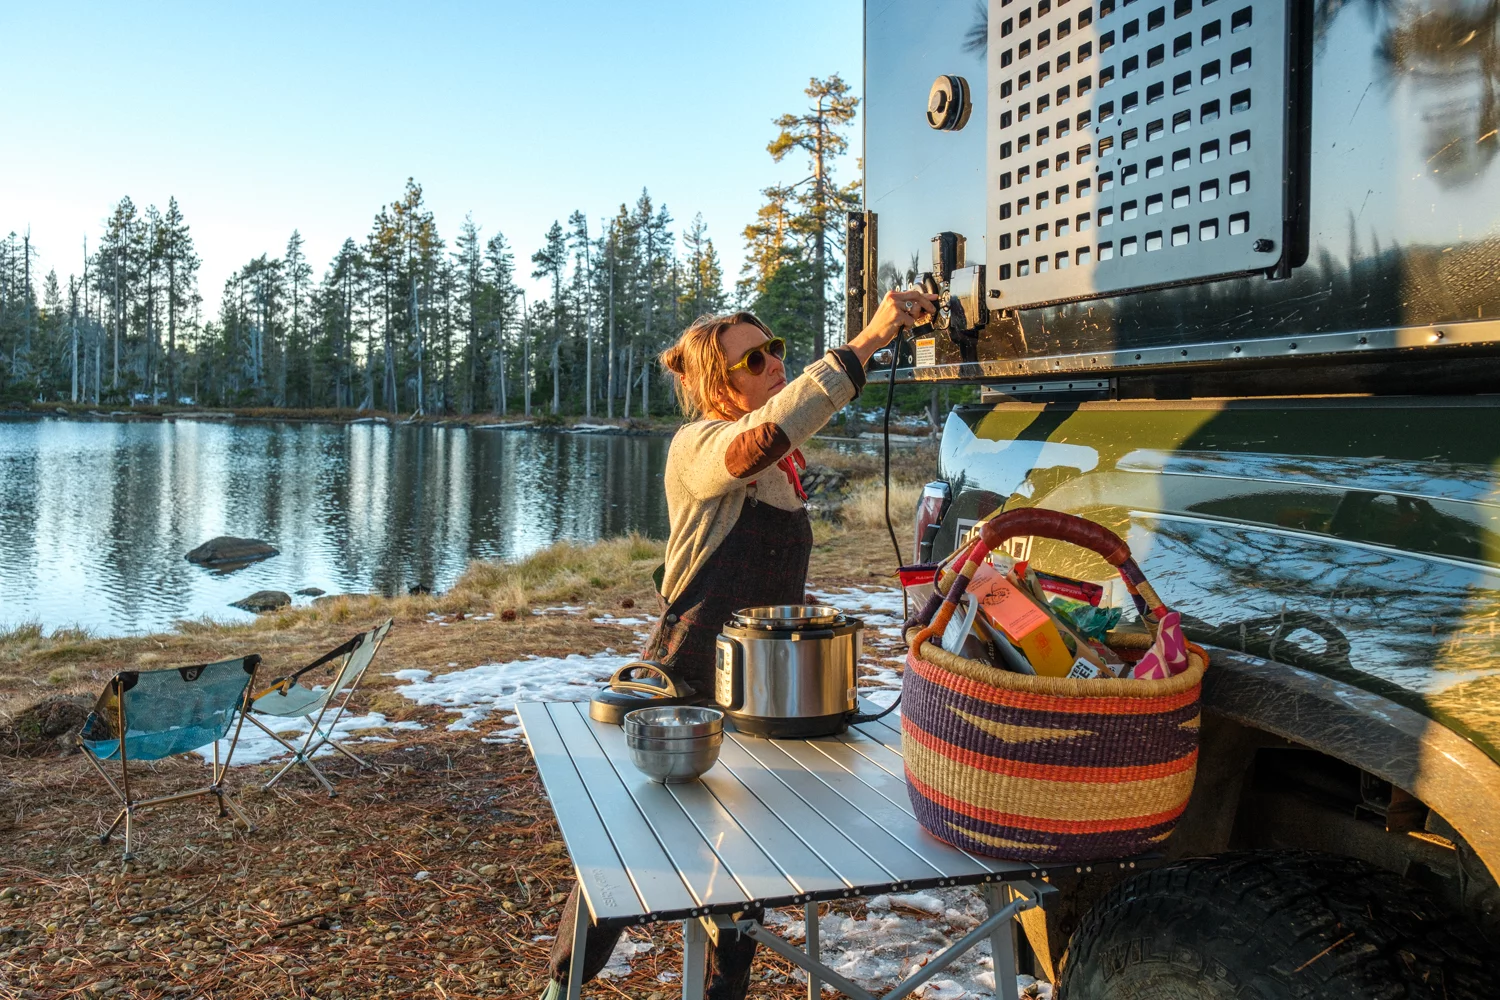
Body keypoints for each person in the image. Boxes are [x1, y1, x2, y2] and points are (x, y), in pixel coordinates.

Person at [542, 288, 936, 1000]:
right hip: (684, 674)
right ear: (721, 384)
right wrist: (869, 340)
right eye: (754, 360)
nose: (773, 363)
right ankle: (561, 985)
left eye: (776, 347)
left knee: (740, 850)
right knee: (623, 853)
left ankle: (724, 990)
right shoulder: (703, 446)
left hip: (757, 681)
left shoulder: (782, 468)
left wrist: (799, 611)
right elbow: (763, 437)